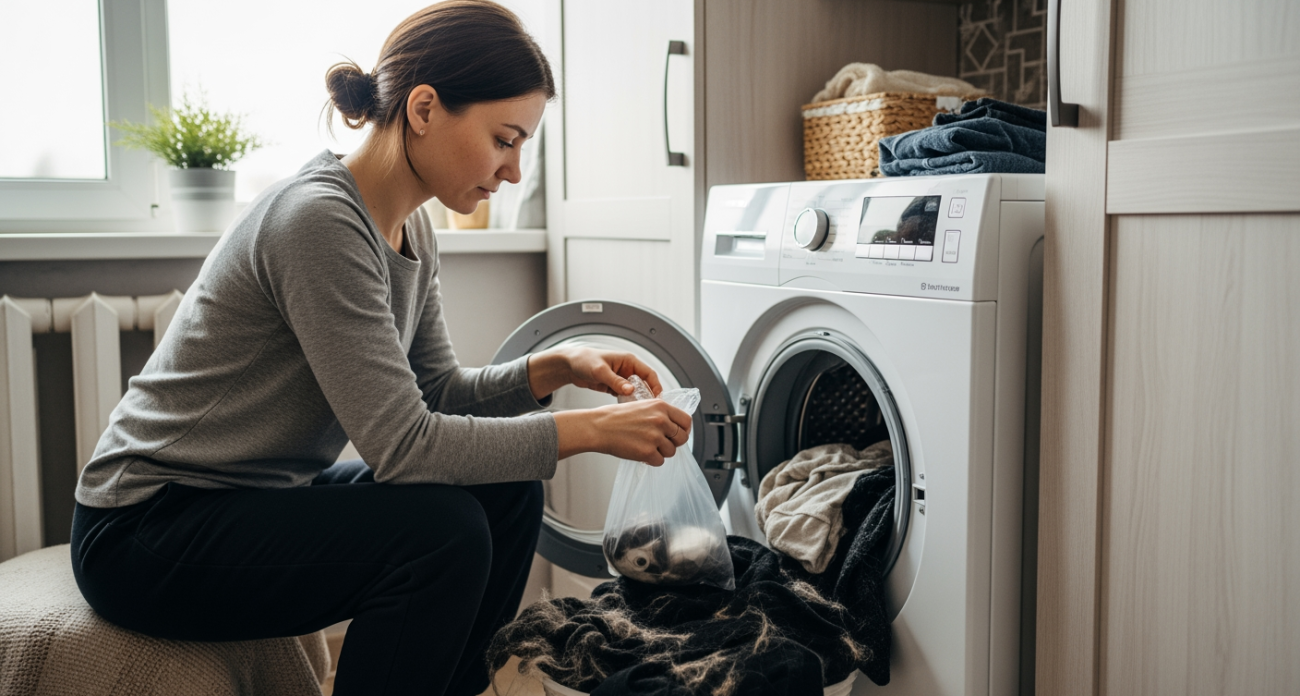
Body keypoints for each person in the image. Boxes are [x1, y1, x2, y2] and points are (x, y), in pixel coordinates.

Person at [69, 2, 692, 695]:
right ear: (424, 108)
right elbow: (406, 447)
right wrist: (593, 431)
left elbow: (435, 393)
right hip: (146, 529)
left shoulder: (411, 230)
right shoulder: (317, 222)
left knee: (505, 488)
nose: (513, 171)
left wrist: (556, 367)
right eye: (504, 139)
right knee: (441, 532)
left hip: (247, 500)